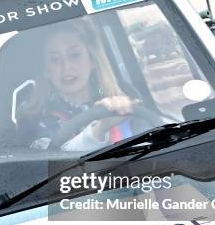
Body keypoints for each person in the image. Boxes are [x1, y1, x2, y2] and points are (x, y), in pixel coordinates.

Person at [19, 21, 150, 151]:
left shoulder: (124, 99)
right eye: (54, 59)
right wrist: (101, 128)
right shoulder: (32, 119)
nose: (66, 66)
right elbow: (51, 162)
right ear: (45, 70)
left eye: (74, 55)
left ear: (92, 60)